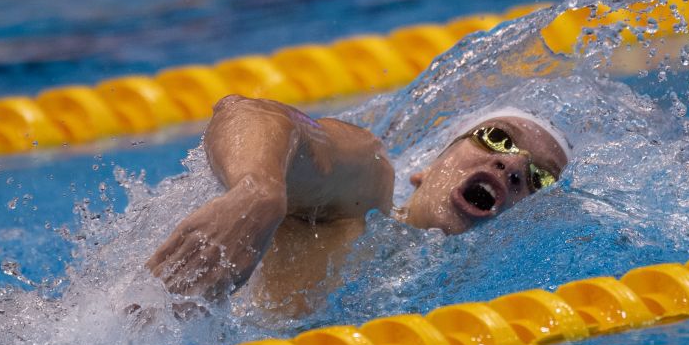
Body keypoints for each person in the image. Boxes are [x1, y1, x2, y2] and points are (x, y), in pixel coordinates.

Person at [147, 95, 570, 307]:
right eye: (495, 137)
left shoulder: (493, 304)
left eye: (539, 178)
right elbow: (251, 113)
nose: (511, 163)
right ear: (427, 167)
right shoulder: (361, 198)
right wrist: (258, 190)